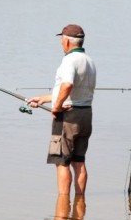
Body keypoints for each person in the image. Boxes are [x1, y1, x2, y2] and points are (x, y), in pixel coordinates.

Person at [27, 24, 96, 195]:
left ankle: (63, 203)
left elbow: (68, 85)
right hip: (86, 114)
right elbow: (74, 90)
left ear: (67, 42)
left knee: (62, 161)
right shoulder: (89, 61)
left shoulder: (69, 60)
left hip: (68, 116)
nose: (60, 43)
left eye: (61, 39)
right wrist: (44, 98)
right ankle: (80, 201)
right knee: (79, 161)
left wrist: (56, 107)